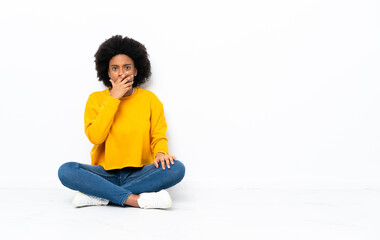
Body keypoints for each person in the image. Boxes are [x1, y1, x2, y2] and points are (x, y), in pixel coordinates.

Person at [58, 35, 185, 209]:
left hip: (140, 173)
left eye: (127, 67)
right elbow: (95, 137)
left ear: (136, 71)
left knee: (177, 168)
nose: (121, 73)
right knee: (66, 171)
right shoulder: (96, 99)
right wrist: (113, 98)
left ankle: (101, 195)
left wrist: (161, 153)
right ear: (108, 72)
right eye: (115, 68)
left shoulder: (150, 99)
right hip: (105, 173)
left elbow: (158, 135)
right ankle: (136, 200)